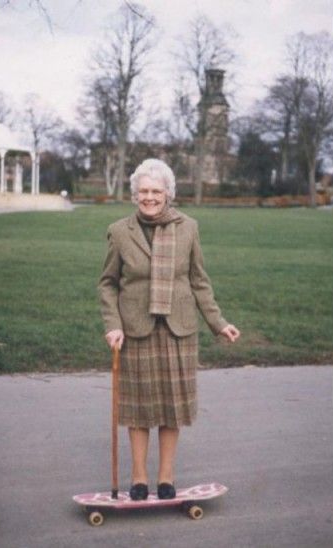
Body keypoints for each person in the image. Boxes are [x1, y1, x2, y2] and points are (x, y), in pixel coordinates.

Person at [98, 158, 240, 501]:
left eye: (156, 191)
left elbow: (199, 282)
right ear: (134, 195)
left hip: (179, 329)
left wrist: (219, 323)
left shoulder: (188, 227)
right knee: (138, 409)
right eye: (143, 191)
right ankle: (138, 479)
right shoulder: (120, 232)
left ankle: (166, 478)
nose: (149, 197)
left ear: (168, 194)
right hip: (135, 329)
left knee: (172, 408)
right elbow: (107, 284)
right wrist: (113, 325)